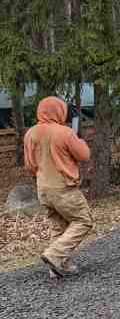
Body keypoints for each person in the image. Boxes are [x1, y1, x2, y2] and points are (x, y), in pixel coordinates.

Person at [24, 96, 94, 278]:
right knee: (84, 221)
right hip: (63, 188)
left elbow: (30, 165)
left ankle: (59, 266)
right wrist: (80, 141)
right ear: (59, 111)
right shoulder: (64, 132)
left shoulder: (30, 133)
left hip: (43, 189)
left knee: (58, 226)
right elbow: (84, 155)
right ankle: (54, 255)